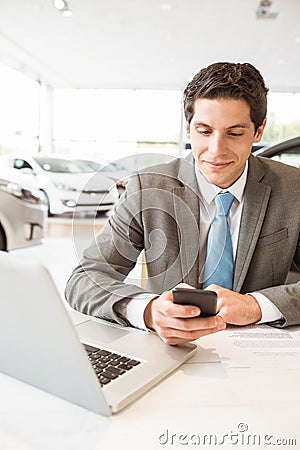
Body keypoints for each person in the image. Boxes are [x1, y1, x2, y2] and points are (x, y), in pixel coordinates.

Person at [65, 62, 300, 345]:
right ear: (188, 129)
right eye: (204, 131)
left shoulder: (293, 189)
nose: (216, 150)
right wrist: (149, 311)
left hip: (261, 357)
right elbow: (85, 279)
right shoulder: (148, 188)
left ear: (259, 131)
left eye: (235, 133)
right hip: (172, 352)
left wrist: (256, 306)